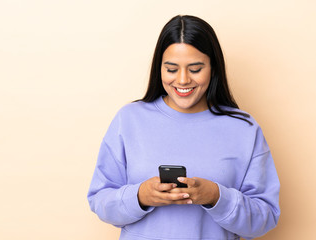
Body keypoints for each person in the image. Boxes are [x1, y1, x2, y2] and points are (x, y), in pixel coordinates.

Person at [87, 15, 280, 240]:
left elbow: (265, 218)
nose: (182, 80)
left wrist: (216, 196)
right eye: (171, 69)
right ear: (158, 69)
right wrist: (140, 196)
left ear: (213, 68)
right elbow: (99, 200)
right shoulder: (129, 119)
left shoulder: (244, 128)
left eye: (195, 69)